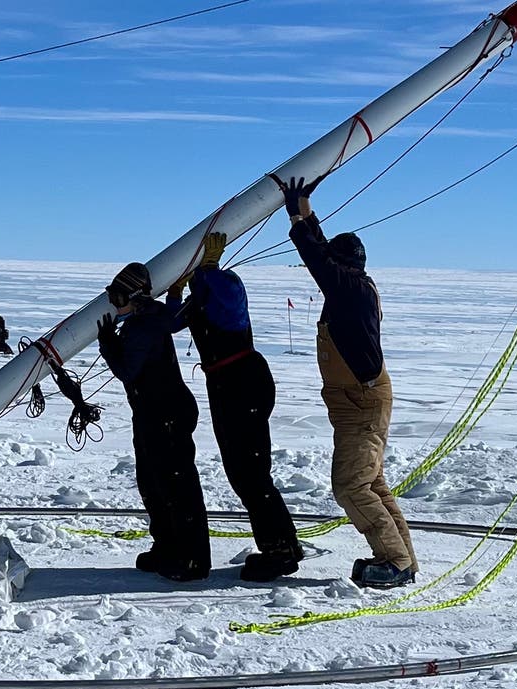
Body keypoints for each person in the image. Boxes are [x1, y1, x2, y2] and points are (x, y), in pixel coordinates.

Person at [271, 174, 417, 588]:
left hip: (362, 402)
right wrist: (305, 212)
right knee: (370, 482)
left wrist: (299, 217)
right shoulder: (351, 287)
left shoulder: (350, 289)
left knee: (351, 486)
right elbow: (324, 258)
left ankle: (394, 560)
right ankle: (401, 559)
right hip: (359, 401)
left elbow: (319, 259)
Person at [168, 231, 302, 581]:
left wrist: (209, 269)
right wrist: (176, 290)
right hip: (225, 384)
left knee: (250, 471)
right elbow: (171, 322)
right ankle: (282, 543)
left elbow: (228, 300)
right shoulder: (202, 296)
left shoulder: (226, 285)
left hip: (243, 382)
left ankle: (281, 551)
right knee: (242, 470)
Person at [97, 262, 212, 582]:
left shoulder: (143, 325)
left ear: (135, 297)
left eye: (118, 297)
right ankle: (167, 546)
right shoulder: (151, 317)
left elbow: (127, 371)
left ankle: (192, 560)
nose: (114, 304)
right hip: (153, 413)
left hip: (165, 414)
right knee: (153, 483)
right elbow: (175, 317)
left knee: (176, 486)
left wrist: (109, 346)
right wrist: (176, 296)